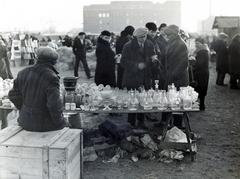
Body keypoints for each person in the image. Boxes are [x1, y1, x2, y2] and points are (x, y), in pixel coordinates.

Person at [8, 47, 67, 132]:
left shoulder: (23, 72)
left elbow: (12, 95)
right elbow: (54, 104)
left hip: (25, 121)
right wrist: (61, 122)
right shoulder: (51, 77)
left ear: (36, 58)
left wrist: (24, 108)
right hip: (44, 125)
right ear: (54, 62)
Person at [121, 27, 157, 128]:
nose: (143, 39)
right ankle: (131, 124)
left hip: (146, 77)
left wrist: (154, 60)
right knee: (133, 101)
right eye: (141, 37)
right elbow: (123, 62)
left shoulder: (149, 44)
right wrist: (136, 66)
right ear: (135, 37)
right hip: (132, 77)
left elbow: (153, 56)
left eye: (145, 36)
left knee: (143, 100)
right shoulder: (128, 46)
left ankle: (141, 122)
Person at [164, 24, 189, 128]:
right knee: (172, 102)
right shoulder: (172, 43)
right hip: (172, 77)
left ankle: (177, 126)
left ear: (174, 34)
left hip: (178, 79)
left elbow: (183, 63)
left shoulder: (180, 44)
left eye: (168, 35)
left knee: (178, 102)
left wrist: (173, 76)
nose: (167, 37)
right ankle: (173, 124)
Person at [193, 37, 210, 110]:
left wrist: (193, 62)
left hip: (201, 73)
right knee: (200, 88)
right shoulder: (203, 50)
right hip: (202, 72)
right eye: (195, 43)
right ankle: (200, 105)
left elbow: (200, 63)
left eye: (198, 43)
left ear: (202, 43)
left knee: (201, 89)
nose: (196, 45)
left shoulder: (202, 51)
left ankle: (201, 105)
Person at [0, 38, 13, 129]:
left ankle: (4, 125)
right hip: (3, 74)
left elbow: (6, 62)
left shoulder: (3, 61)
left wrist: (9, 75)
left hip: (3, 76)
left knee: (3, 102)